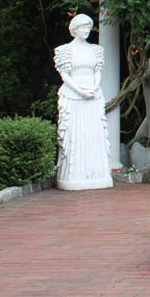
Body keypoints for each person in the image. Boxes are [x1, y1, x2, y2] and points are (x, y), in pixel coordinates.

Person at [53, 14, 113, 190]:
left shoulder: (96, 50)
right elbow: (65, 75)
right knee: (75, 133)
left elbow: (97, 71)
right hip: (73, 95)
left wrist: (94, 87)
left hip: (93, 95)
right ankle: (73, 175)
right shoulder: (64, 50)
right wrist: (80, 90)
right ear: (74, 29)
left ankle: (98, 174)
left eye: (88, 27)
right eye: (82, 27)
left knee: (94, 133)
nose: (86, 30)